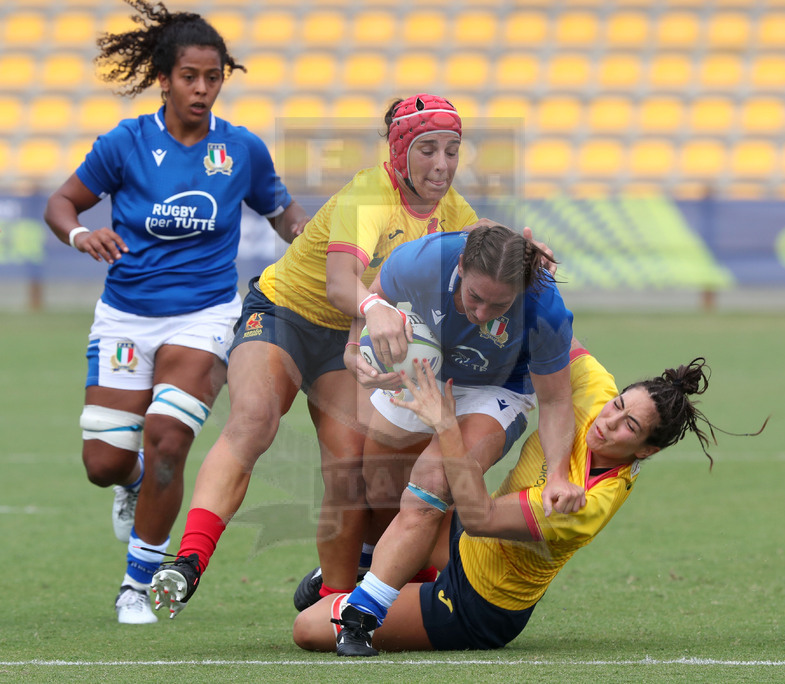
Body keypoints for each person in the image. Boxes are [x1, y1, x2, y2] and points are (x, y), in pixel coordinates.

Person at [151, 93, 492, 617]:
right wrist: (376, 308)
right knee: (255, 419)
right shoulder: (368, 195)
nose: (442, 164)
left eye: (452, 149)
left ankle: (334, 598)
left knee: (352, 468)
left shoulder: (449, 207)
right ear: (399, 151)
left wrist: (523, 252)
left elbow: (481, 243)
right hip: (285, 314)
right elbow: (340, 285)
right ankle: (189, 560)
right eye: (427, 150)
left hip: (347, 340)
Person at [43, 0, 307, 624]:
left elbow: (283, 212)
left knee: (167, 442)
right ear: (164, 77)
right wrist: (82, 236)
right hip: (126, 315)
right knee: (103, 463)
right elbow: (62, 202)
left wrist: (314, 235)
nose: (202, 88)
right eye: (190, 76)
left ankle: (138, 582)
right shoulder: (126, 143)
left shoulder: (241, 150)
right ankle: (132, 484)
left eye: (213, 77)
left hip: (206, 317)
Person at [293, 344, 765, 655]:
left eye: (629, 428)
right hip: (459, 544)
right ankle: (377, 569)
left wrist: (445, 422)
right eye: (619, 405)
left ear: (646, 451)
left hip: (474, 603)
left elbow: (478, 516)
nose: (609, 422)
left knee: (309, 629)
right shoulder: (597, 394)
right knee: (394, 467)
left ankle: (370, 581)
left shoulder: (587, 505)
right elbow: (556, 337)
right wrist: (528, 268)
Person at [293, 223, 582, 613]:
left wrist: (560, 474)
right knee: (379, 487)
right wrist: (352, 346)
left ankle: (371, 604)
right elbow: (374, 300)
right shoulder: (421, 261)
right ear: (461, 265)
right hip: (428, 369)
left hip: (496, 390)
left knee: (432, 480)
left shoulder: (545, 308)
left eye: (499, 306)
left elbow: (557, 401)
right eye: (475, 298)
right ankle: (381, 562)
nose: (482, 314)